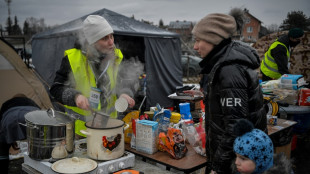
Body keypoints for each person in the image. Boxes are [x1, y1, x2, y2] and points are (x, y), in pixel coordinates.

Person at [185, 8, 267, 174]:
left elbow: (235, 126)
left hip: (235, 162)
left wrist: (218, 167)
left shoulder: (229, 69)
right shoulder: (224, 62)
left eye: (198, 40)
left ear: (212, 39)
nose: (194, 47)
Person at [50, 15, 136, 137]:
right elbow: (56, 89)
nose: (111, 42)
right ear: (92, 42)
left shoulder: (117, 56)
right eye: (105, 38)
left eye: (111, 36)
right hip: (81, 132)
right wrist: (75, 96)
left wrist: (125, 93)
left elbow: (127, 80)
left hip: (110, 127)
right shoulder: (72, 59)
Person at [0, 94, 40, 174]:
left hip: (11, 117)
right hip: (34, 116)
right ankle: (40, 166)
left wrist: (10, 139)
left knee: (2, 144)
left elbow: (2, 124)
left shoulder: (7, 103)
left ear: (13, 98)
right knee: (39, 143)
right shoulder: (31, 102)